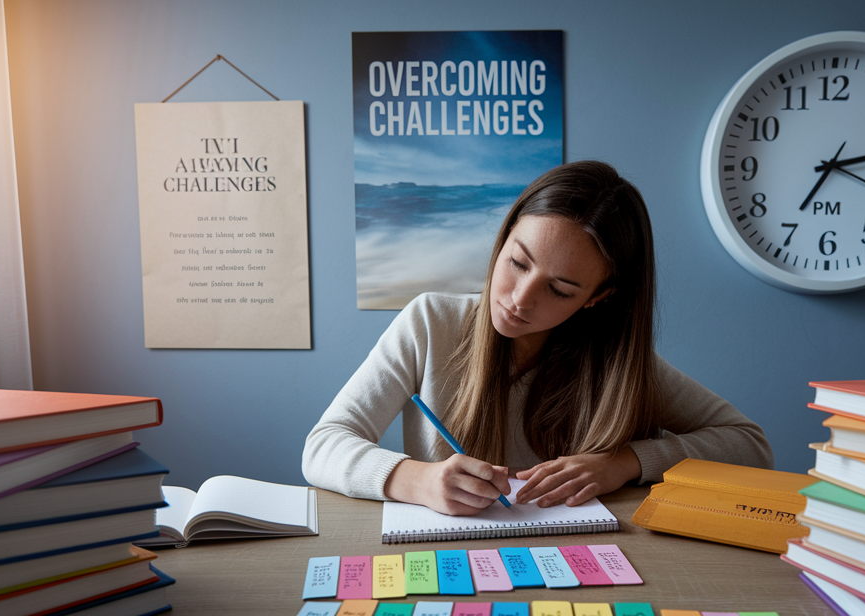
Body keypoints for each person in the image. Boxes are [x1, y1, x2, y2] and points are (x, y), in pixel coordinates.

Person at [303, 160, 772, 516]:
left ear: (597, 297)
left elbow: (750, 445)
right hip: (450, 565)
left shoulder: (615, 360)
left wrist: (624, 463)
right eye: (518, 262)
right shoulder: (430, 322)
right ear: (503, 237)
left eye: (559, 289)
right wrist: (418, 481)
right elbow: (323, 445)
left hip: (582, 570)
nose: (519, 300)